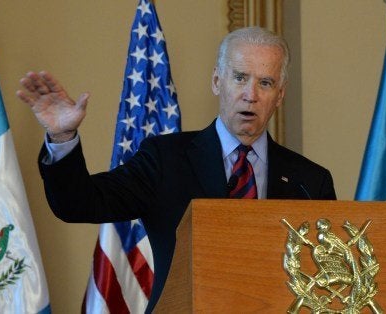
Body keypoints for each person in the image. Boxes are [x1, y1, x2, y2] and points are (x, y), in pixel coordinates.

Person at [17, 26, 336, 312]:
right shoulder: (165, 160)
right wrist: (62, 136)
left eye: (265, 83)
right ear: (216, 81)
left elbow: (328, 278)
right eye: (239, 78)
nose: (250, 95)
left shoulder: (309, 181)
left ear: (279, 94)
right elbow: (79, 202)